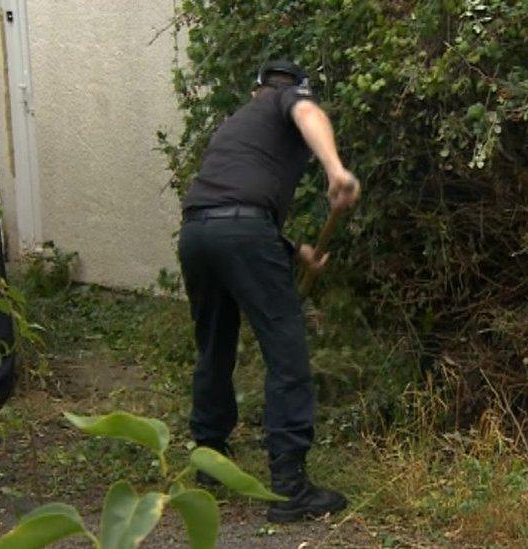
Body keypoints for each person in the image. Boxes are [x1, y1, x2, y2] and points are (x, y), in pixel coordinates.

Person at [177, 59, 360, 523]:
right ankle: (290, 487)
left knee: (214, 348)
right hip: (241, 233)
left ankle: (209, 464)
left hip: (197, 233)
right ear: (296, 88)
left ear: (253, 87)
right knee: (286, 350)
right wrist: (335, 170)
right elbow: (308, 114)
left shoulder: (235, 126)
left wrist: (299, 251)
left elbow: (231, 209)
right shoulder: (290, 100)